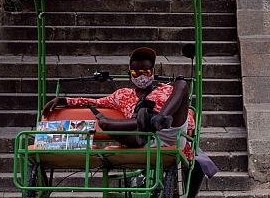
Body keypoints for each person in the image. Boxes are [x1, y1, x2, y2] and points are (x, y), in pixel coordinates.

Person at [42, 47, 194, 157]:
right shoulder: (122, 95)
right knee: (105, 123)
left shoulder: (166, 89)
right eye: (136, 72)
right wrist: (63, 99)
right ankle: (146, 122)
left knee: (181, 84)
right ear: (130, 75)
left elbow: (186, 114)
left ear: (153, 73)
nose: (142, 76)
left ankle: (156, 120)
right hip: (140, 137)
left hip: (169, 132)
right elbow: (94, 101)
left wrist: (167, 119)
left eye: (146, 72)